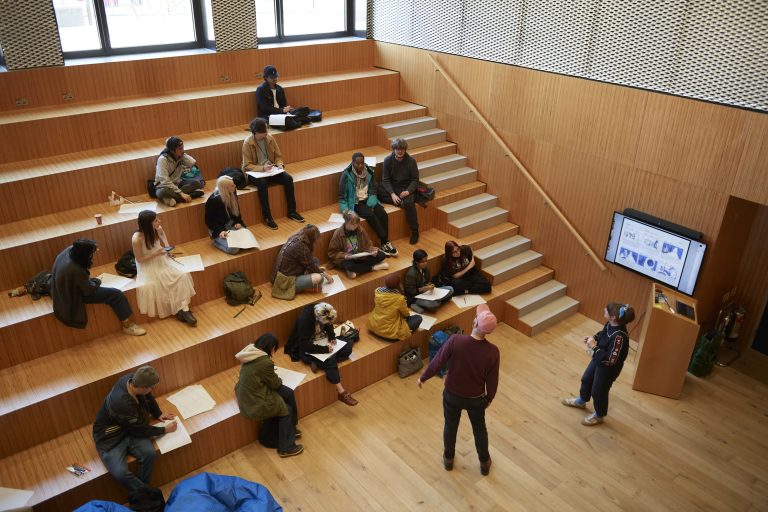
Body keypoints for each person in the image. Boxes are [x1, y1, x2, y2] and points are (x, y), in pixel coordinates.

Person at [417, 304, 500, 476]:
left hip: (452, 395)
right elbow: (492, 381)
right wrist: (489, 399)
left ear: (475, 322)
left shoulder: (456, 340)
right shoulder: (493, 352)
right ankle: (484, 462)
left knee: (450, 425)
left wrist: (424, 377)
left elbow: (438, 361)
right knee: (479, 429)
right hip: (476, 399)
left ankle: (448, 459)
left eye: (476, 316)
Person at [93, 366, 178, 491]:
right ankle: (145, 492)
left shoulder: (132, 379)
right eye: (151, 387)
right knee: (120, 473)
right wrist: (164, 430)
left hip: (131, 428)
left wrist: (158, 413)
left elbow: (148, 397)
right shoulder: (121, 403)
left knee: (149, 453)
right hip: (111, 436)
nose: (152, 390)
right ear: (143, 387)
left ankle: (143, 491)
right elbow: (140, 430)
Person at [51, 238, 146, 336]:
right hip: (71, 295)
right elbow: (88, 289)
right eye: (92, 253)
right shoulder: (76, 270)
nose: (93, 255)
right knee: (116, 294)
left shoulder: (70, 250)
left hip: (61, 287)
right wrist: (96, 281)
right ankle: (127, 326)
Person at [562, 302, 635, 426]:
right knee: (586, 379)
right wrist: (594, 338)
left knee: (599, 391)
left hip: (608, 369)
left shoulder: (619, 338)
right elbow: (603, 334)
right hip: (598, 360)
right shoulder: (610, 324)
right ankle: (581, 401)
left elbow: (611, 360)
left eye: (607, 310)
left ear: (613, 317)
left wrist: (594, 347)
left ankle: (599, 415)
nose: (604, 309)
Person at [235, 333, 303, 457]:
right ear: (271, 348)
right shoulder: (264, 361)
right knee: (285, 409)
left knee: (288, 393)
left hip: (248, 393)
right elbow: (275, 384)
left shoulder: (250, 352)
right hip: (254, 400)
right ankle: (286, 448)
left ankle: (291, 429)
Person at [284, 302, 358, 406]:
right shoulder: (304, 320)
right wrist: (325, 350)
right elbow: (305, 345)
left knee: (347, 349)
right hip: (308, 347)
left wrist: (331, 337)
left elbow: (328, 325)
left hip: (322, 341)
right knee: (330, 360)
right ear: (318, 318)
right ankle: (341, 392)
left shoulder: (324, 310)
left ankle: (317, 363)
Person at [132, 210, 197, 326]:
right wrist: (157, 253)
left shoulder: (156, 228)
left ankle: (183, 309)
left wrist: (167, 248)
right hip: (148, 264)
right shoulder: (137, 239)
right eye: (156, 220)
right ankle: (183, 310)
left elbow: (161, 233)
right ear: (148, 224)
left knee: (182, 274)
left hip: (161, 257)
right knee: (163, 281)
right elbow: (139, 259)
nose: (159, 221)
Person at [242, 117, 304, 229]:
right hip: (255, 173)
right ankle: (267, 217)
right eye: (264, 131)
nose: (267, 132)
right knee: (263, 183)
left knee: (288, 178)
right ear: (256, 132)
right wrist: (262, 168)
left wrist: (280, 165)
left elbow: (278, 157)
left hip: (271, 170)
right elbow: (247, 166)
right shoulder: (247, 143)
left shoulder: (270, 138)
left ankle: (292, 211)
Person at [339, 152, 398, 256]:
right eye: (357, 163)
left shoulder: (369, 171)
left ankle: (384, 243)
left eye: (362, 163)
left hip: (369, 198)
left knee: (383, 214)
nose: (360, 165)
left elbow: (373, 187)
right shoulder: (346, 175)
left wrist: (373, 196)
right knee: (371, 216)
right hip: (356, 202)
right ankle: (385, 241)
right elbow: (341, 196)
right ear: (352, 163)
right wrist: (345, 210)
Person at [378, 138, 421, 245]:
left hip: (405, 187)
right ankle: (398, 201)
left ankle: (415, 231)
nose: (399, 151)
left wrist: (408, 191)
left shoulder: (411, 161)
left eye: (402, 149)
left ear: (405, 149)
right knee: (377, 189)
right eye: (397, 149)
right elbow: (385, 179)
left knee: (409, 203)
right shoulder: (388, 160)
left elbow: (415, 180)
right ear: (394, 149)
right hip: (393, 186)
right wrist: (392, 194)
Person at [327, 211, 389, 279]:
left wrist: (372, 250)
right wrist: (344, 256)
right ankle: (374, 267)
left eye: (357, 223)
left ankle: (354, 270)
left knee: (382, 255)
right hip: (348, 259)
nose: (355, 226)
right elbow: (332, 253)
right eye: (353, 224)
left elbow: (368, 243)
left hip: (360, 255)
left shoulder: (360, 229)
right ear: (346, 222)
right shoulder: (338, 233)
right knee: (349, 266)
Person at [272, 224, 333, 294]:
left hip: (280, 275)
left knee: (315, 260)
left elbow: (309, 262)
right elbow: (310, 265)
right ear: (312, 239)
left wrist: (317, 269)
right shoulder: (302, 247)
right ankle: (303, 289)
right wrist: (325, 275)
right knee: (320, 278)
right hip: (284, 282)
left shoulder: (295, 237)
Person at [367, 273, 422, 341]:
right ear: (398, 285)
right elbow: (406, 315)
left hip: (374, 326)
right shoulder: (399, 298)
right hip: (390, 333)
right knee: (418, 318)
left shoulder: (377, 292)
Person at [154, 136, 204, 207]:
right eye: (180, 149)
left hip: (177, 184)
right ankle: (189, 196)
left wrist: (182, 154)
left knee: (197, 184)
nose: (183, 150)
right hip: (163, 186)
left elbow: (192, 162)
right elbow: (164, 181)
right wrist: (181, 193)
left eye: (183, 147)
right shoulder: (163, 159)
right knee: (162, 192)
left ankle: (171, 199)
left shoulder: (180, 156)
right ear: (172, 151)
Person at [205, 175, 246, 255]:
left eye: (233, 184)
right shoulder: (213, 200)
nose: (235, 186)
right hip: (219, 229)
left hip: (231, 225)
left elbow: (237, 214)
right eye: (232, 185)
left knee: (247, 240)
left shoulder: (232, 192)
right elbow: (209, 221)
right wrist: (220, 231)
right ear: (225, 188)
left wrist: (238, 222)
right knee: (233, 249)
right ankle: (216, 242)